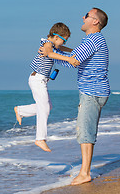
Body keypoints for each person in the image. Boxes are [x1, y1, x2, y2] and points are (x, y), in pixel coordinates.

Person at [39, 8, 110, 185]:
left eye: (86, 15)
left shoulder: (94, 39)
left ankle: (85, 173)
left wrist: (49, 52)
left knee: (85, 132)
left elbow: (73, 61)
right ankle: (84, 171)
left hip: (92, 91)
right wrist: (53, 48)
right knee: (84, 130)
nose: (83, 17)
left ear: (95, 21)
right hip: (92, 91)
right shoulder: (92, 40)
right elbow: (73, 58)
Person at [14, 22, 80, 152]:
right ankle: (40, 139)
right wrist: (69, 59)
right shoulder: (47, 44)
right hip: (37, 79)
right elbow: (50, 54)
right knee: (44, 108)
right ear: (56, 37)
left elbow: (61, 49)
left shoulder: (53, 44)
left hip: (40, 80)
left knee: (47, 107)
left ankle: (21, 111)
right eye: (63, 40)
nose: (63, 43)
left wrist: (73, 51)